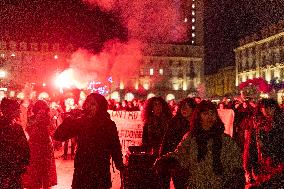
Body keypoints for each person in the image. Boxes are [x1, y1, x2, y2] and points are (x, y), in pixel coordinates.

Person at [155, 100, 245, 189]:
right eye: (205, 114)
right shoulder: (191, 138)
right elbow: (181, 155)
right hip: (197, 185)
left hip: (220, 185)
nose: (210, 117)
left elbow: (235, 163)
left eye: (212, 113)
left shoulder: (225, 140)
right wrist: (167, 160)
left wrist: (236, 179)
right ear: (199, 117)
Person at [54, 93, 124, 189]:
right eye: (87, 103)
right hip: (82, 172)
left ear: (101, 107)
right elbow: (58, 136)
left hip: (100, 172)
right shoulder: (81, 122)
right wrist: (70, 119)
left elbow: (115, 147)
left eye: (93, 104)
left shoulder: (108, 124)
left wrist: (120, 165)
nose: (89, 107)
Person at [159, 97, 196, 189]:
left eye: (187, 107)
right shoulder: (175, 122)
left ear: (193, 109)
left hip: (194, 162)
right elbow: (166, 141)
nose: (184, 109)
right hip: (178, 161)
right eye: (183, 107)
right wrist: (163, 157)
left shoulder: (198, 123)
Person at [23, 100, 57, 189]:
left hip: (45, 146)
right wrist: (37, 121)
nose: (42, 111)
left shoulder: (49, 119)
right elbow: (29, 131)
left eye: (43, 109)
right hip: (34, 146)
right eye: (40, 109)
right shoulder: (31, 119)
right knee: (35, 171)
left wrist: (46, 123)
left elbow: (53, 132)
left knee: (46, 171)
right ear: (36, 109)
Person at [0, 98, 30, 189]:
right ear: (10, 110)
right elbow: (24, 148)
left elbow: (24, 148)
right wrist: (24, 163)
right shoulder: (15, 128)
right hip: (12, 166)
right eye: (17, 109)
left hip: (10, 166)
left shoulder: (15, 127)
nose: (19, 111)